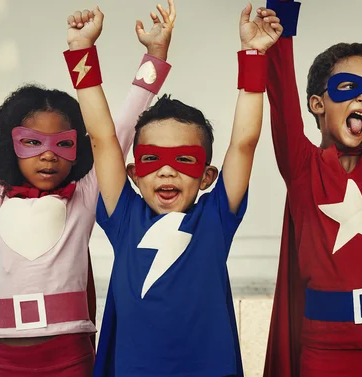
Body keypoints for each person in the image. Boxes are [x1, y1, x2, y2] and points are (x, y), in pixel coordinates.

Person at [68, 5, 282, 376]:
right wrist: (81, 50)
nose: (167, 170)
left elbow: (244, 142)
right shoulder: (124, 217)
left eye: (184, 160)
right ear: (133, 173)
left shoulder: (214, 219)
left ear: (207, 176)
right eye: (152, 159)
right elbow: (102, 138)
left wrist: (254, 54)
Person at [0, 2, 175, 376]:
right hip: (4, 358)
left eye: (63, 144)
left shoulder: (83, 197)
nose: (49, 155)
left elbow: (117, 132)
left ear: (79, 149)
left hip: (71, 355)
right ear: (9, 144)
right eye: (32, 143)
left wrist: (144, 56)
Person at [262, 0, 362, 375]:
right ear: (318, 103)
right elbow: (280, 96)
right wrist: (280, 21)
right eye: (348, 87)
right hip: (326, 350)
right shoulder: (302, 168)